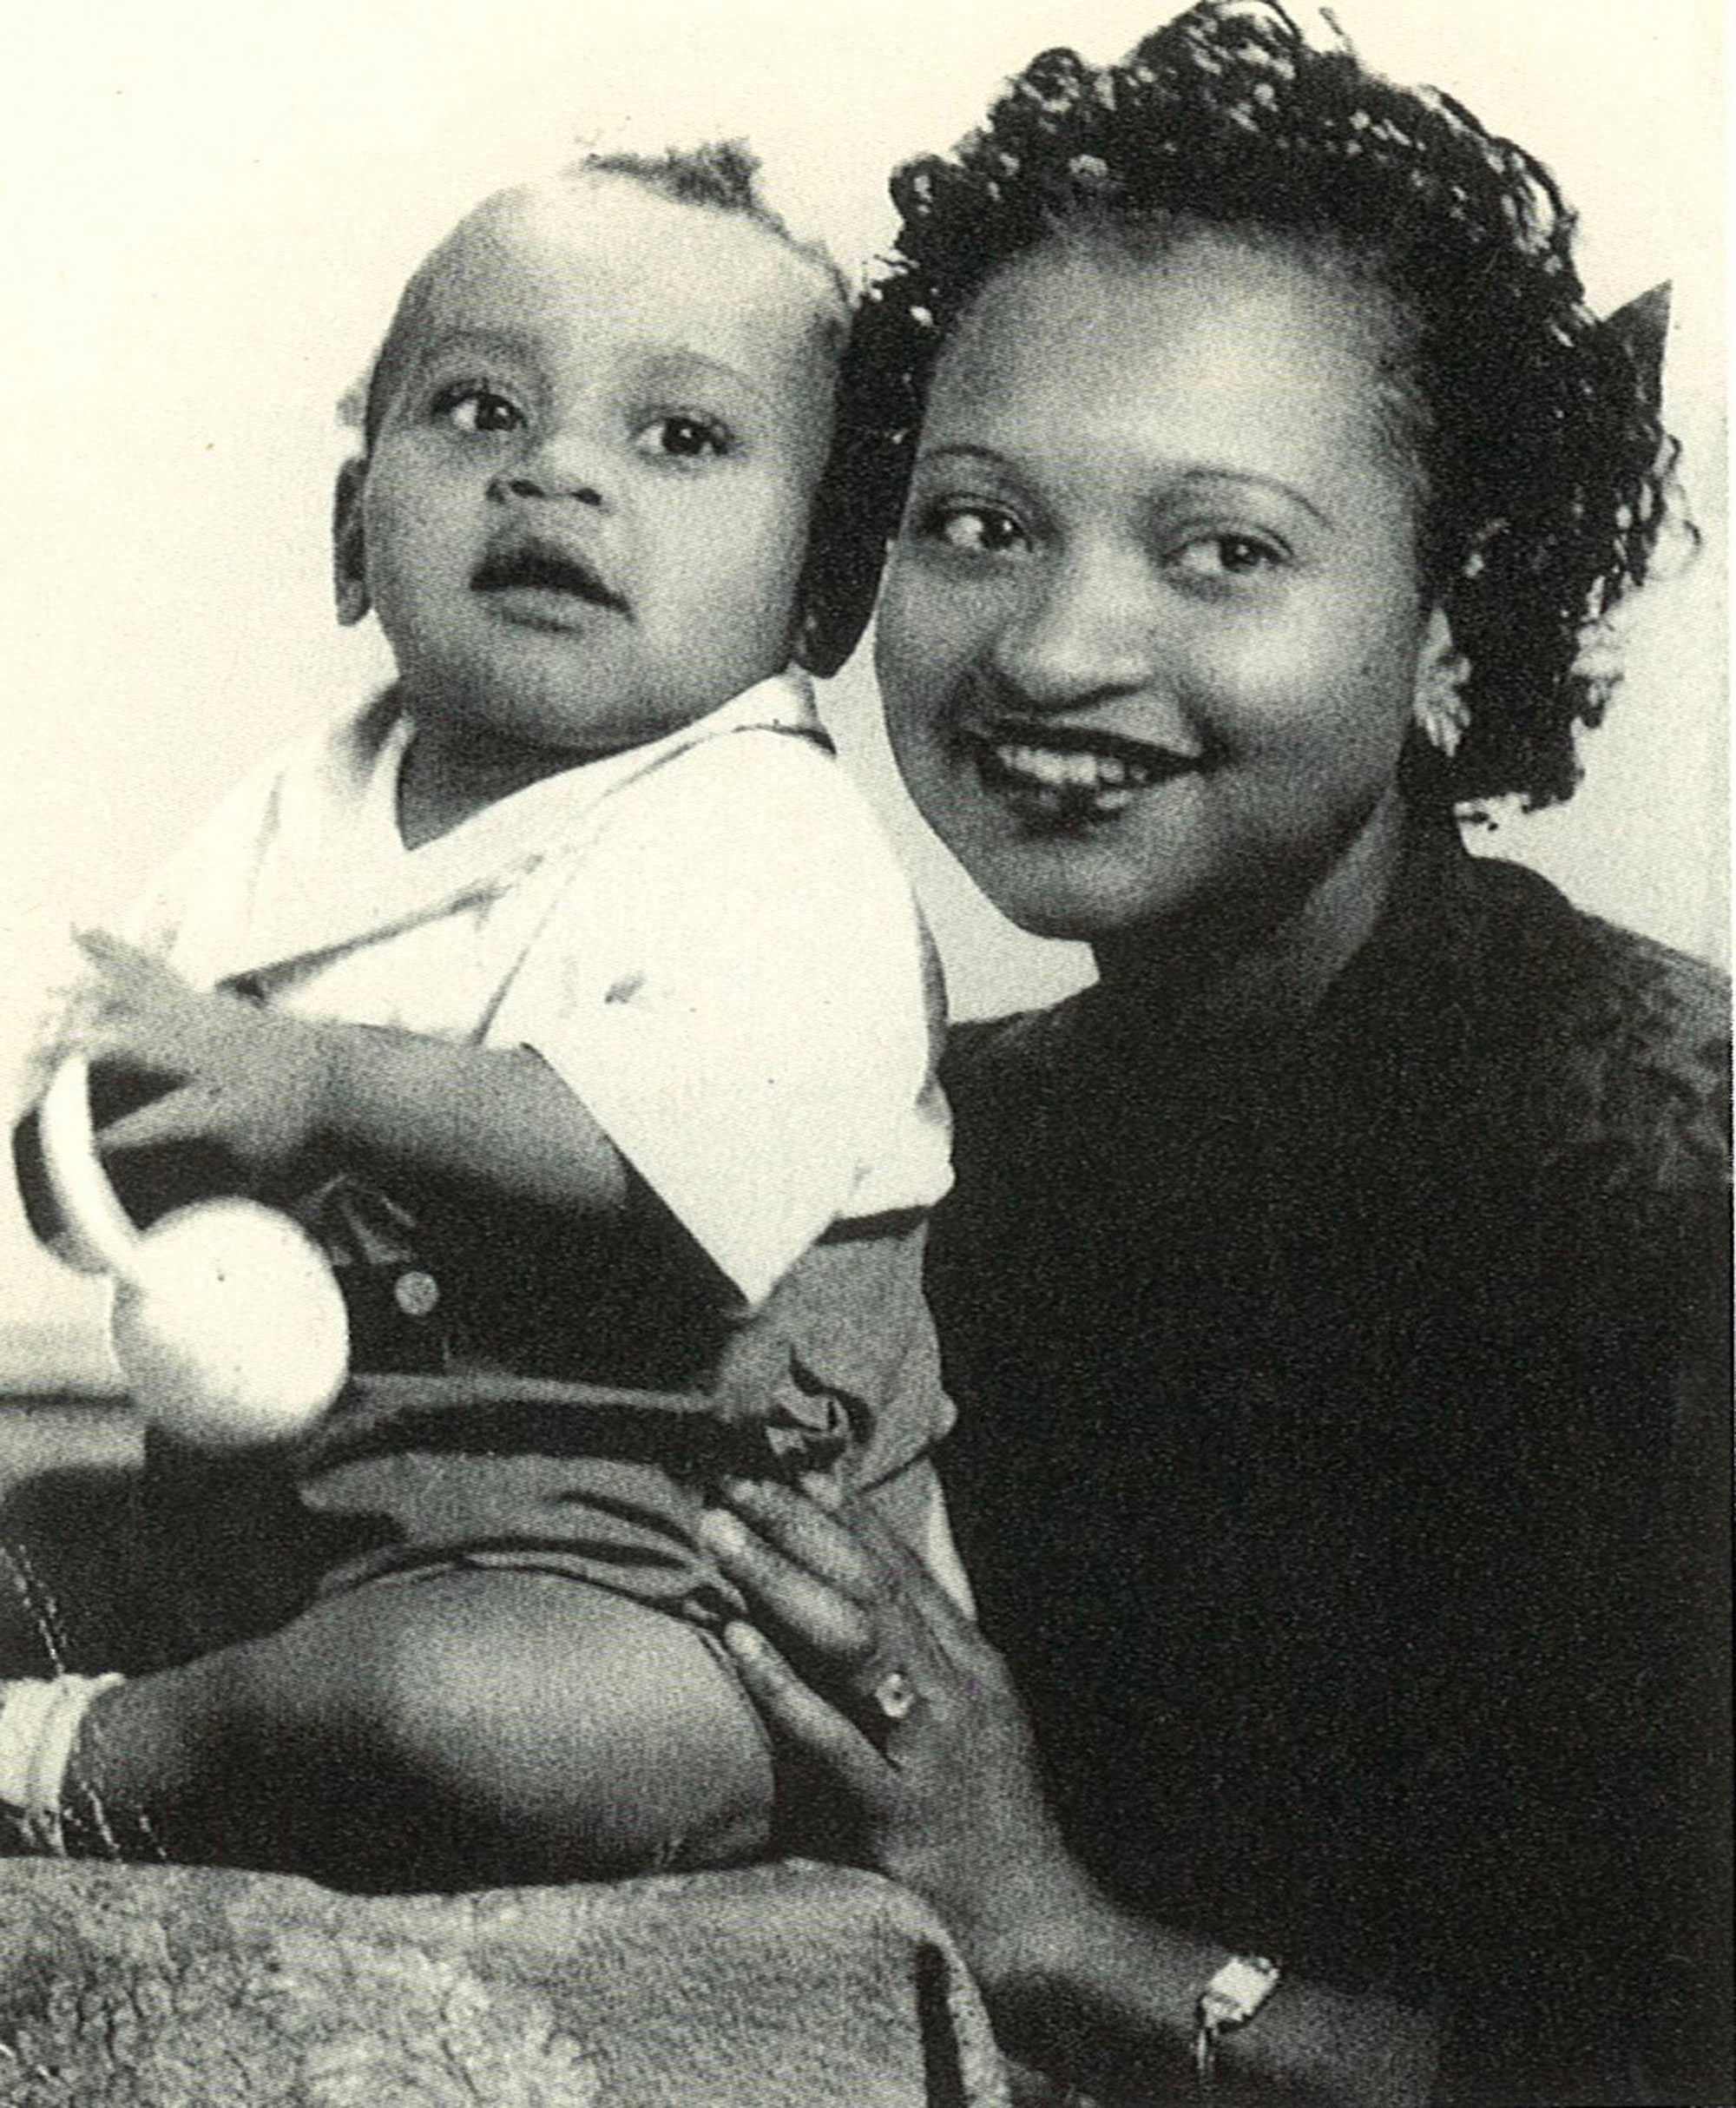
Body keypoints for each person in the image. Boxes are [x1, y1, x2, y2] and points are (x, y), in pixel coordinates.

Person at [694, 6, 1733, 2102]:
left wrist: (1070, 1943)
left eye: (1223, 550)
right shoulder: (937, 1141)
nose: (1059, 647)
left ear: (1455, 619)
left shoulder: (1658, 1191)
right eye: (977, 522)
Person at [1, 143, 961, 1891]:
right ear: (352, 532)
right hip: (282, 1525)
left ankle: (96, 1755)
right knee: (39, 1525)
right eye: (475, 410)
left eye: (680, 438)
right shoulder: (297, 807)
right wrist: (91, 1146)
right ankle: (204, 1705)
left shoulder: (775, 841)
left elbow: (650, 1167)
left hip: (662, 1595)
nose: (557, 471)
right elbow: (89, 1162)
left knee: (457, 1707)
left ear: (819, 598)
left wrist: (306, 1084)